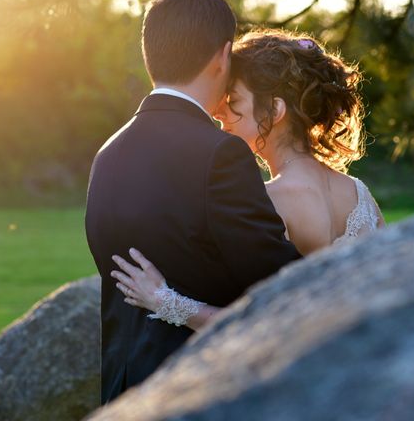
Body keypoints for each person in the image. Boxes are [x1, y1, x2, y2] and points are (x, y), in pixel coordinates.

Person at [85, 0, 301, 404]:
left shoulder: (106, 156)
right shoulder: (219, 154)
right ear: (223, 55)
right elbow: (280, 283)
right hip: (201, 394)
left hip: (122, 398)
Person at [110, 29, 385, 332]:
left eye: (235, 102)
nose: (220, 115)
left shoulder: (265, 200)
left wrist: (165, 301)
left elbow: (261, 319)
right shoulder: (361, 195)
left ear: (275, 110)